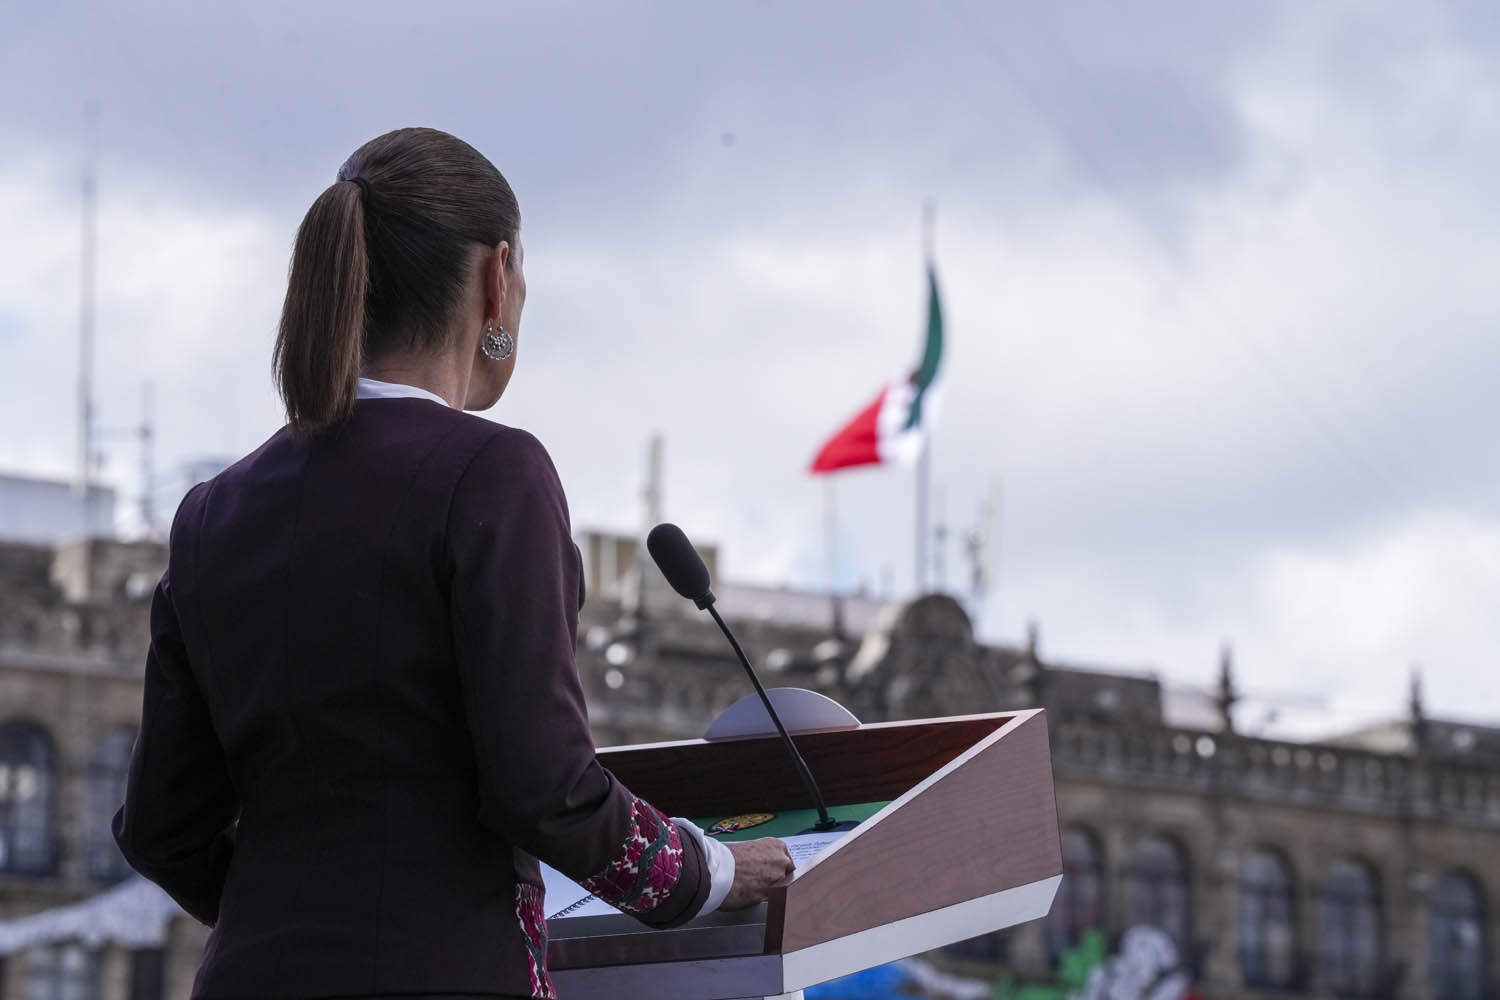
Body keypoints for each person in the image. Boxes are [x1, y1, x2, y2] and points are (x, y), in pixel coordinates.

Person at [112, 126, 795, 1000]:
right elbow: (543, 786)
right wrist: (712, 873)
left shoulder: (212, 514)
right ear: (493, 278)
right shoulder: (492, 473)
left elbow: (160, 828)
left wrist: (291, 909)